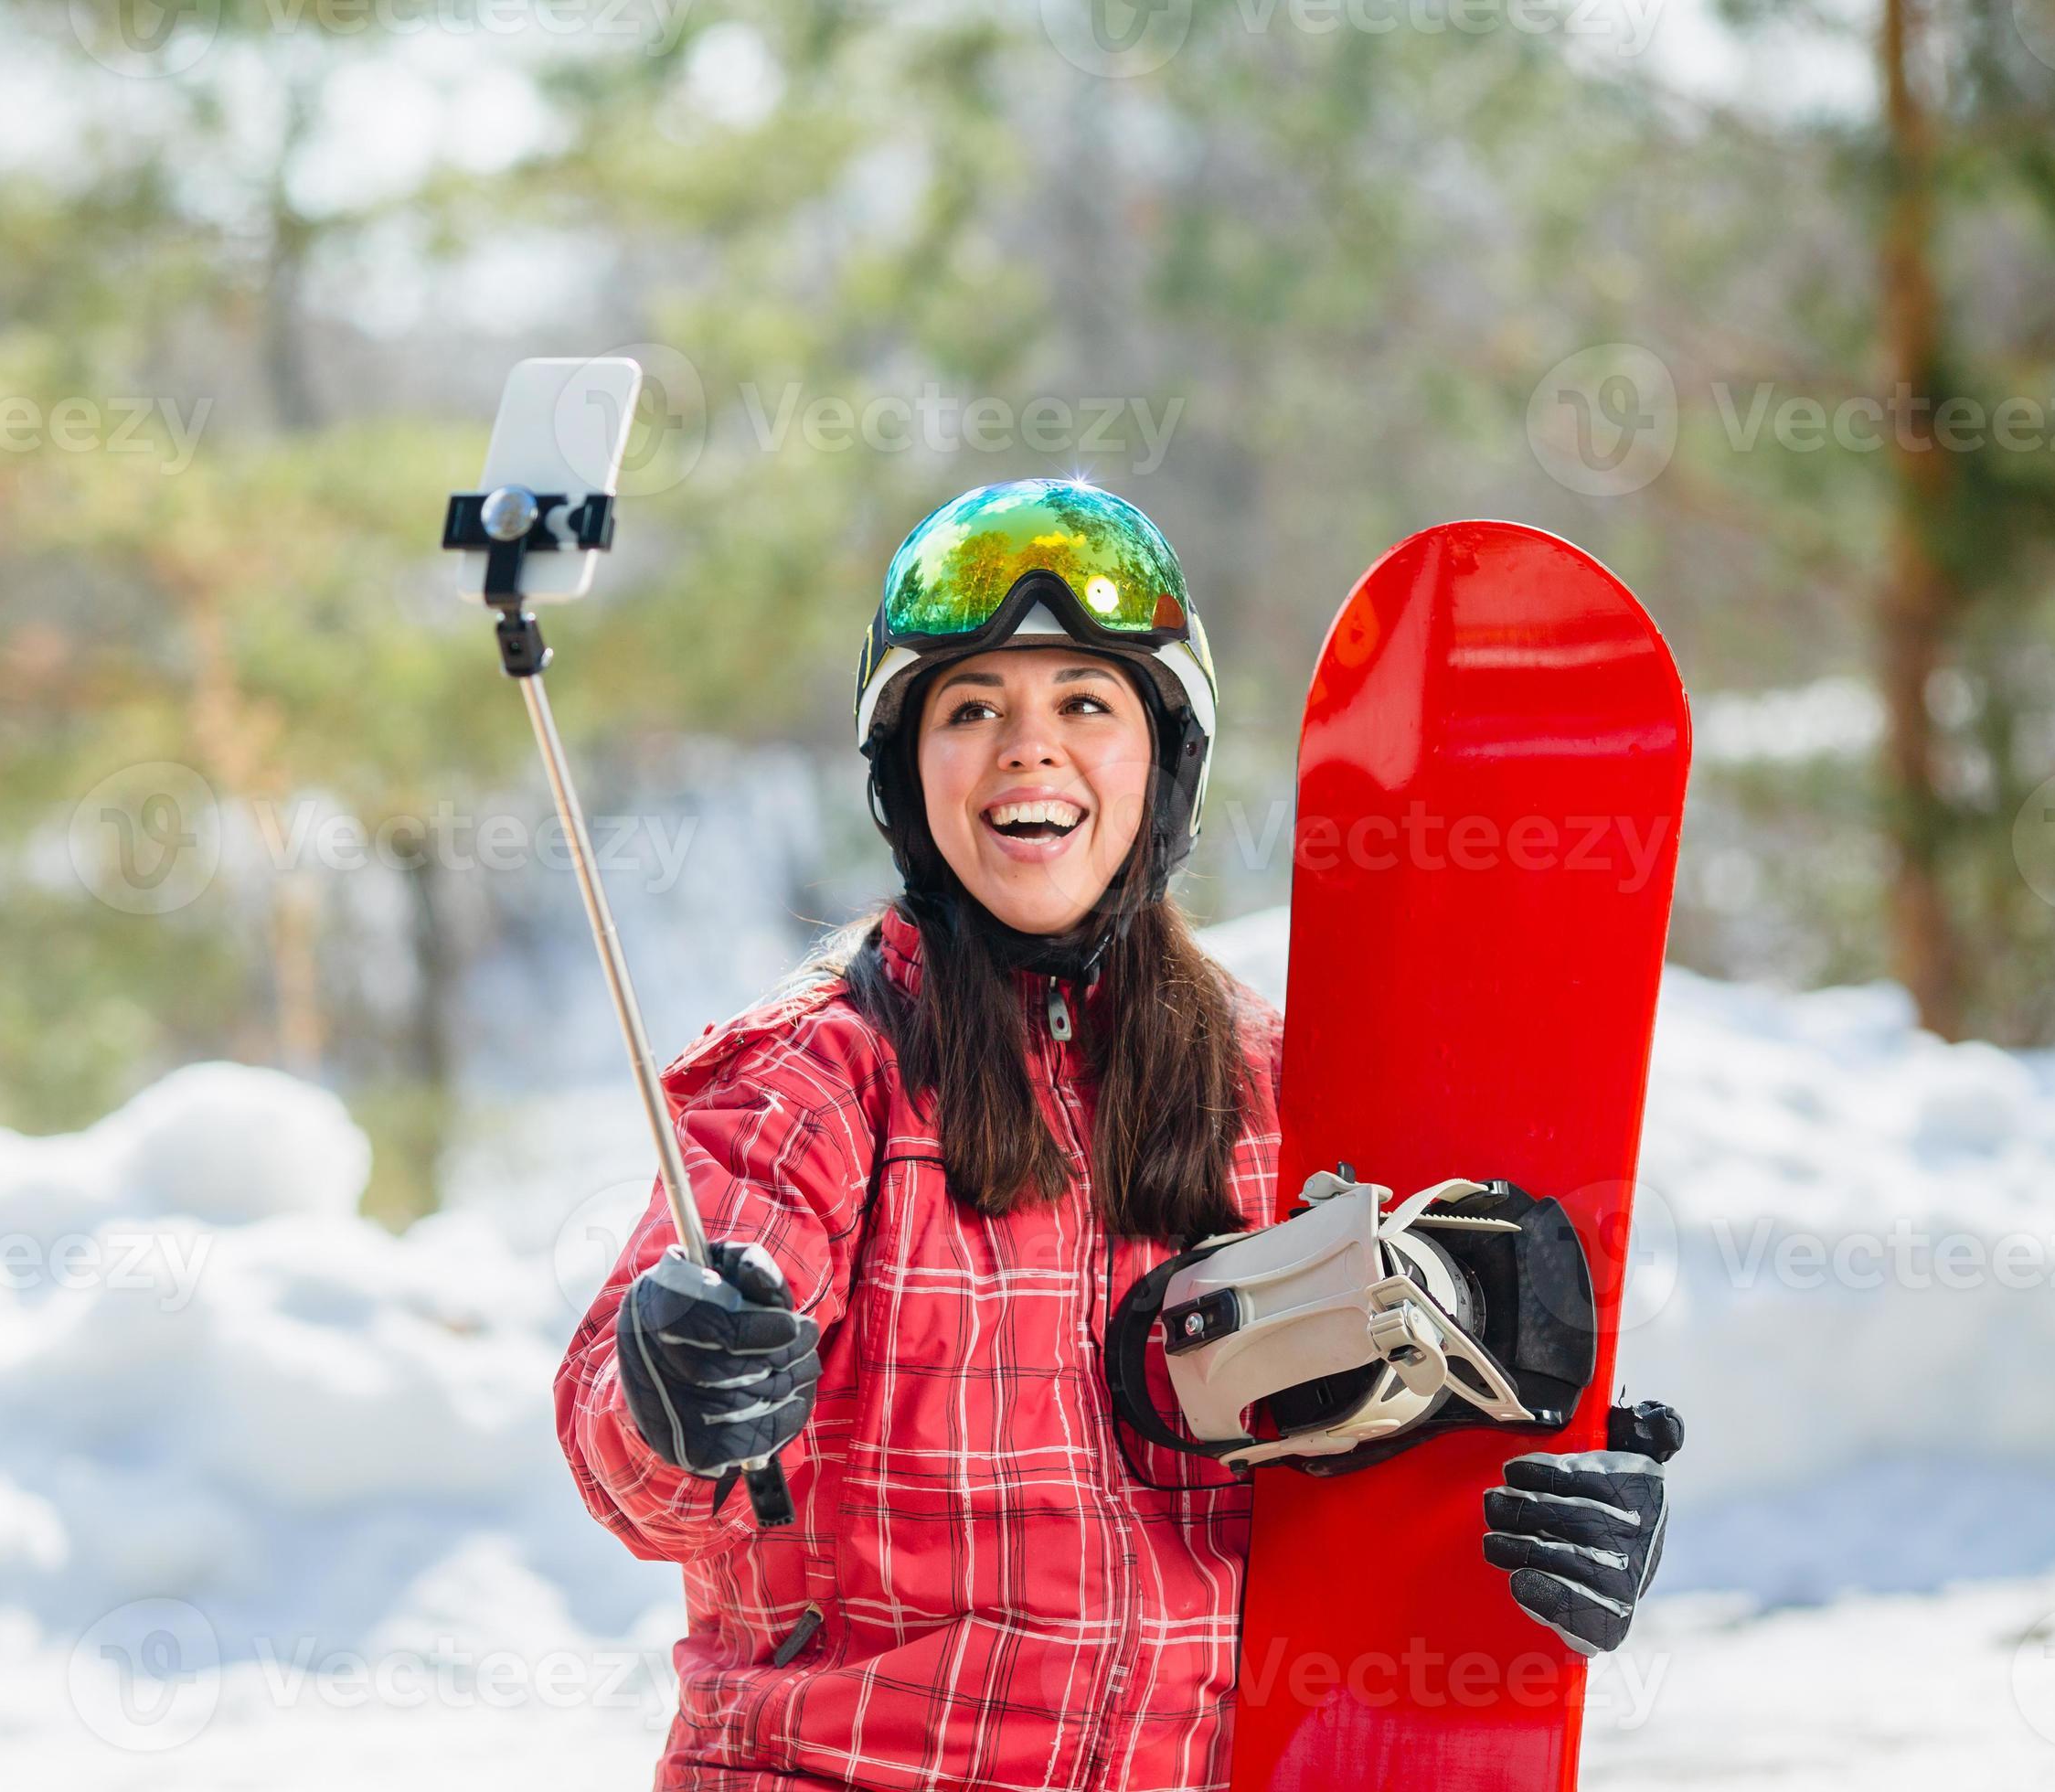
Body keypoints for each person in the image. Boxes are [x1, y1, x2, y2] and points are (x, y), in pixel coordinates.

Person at [553, 479, 1674, 1790]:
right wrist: (675, 1391)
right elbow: (638, 1480)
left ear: (1165, 759)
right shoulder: (814, 1081)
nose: (1029, 749)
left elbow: (1366, 1473)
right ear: (910, 777)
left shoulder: (1276, 1093)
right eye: (973, 710)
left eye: (1086, 703)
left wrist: (1537, 1516)